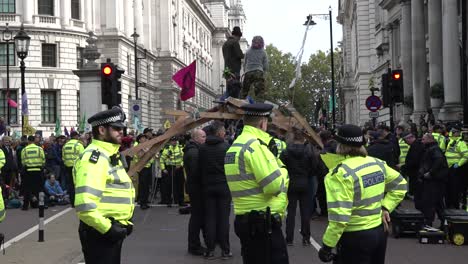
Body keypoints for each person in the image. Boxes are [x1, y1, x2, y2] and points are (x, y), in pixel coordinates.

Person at [318, 124, 406, 264]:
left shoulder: (340, 174)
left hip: (355, 236)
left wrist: (327, 246)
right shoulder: (377, 164)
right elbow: (400, 185)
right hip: (378, 231)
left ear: (340, 144)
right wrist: (386, 207)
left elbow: (340, 218)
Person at [224, 103, 289, 264]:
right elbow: (274, 186)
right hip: (262, 223)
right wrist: (282, 169)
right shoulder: (255, 146)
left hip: (244, 218)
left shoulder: (235, 146)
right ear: (262, 123)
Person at [74, 107, 135, 264]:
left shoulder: (109, 155)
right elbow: (85, 206)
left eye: (122, 128)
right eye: (116, 128)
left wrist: (124, 222)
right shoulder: (94, 157)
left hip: (107, 230)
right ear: (101, 130)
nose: (121, 132)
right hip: (100, 232)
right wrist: (108, 229)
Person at [200, 122, 232, 259]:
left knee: (210, 218)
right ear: (219, 133)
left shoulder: (202, 148)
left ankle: (210, 249)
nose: (225, 133)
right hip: (224, 185)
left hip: (207, 186)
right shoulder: (226, 147)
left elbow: (199, 167)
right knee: (224, 219)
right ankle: (225, 249)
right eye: (224, 131)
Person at [280, 128, 316, 246]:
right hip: (305, 182)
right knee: (305, 212)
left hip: (291, 182)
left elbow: (281, 167)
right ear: (303, 138)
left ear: (293, 138)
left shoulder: (285, 152)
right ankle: (306, 237)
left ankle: (289, 238)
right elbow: (314, 167)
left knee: (291, 212)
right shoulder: (309, 152)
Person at [183, 128, 207, 256]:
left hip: (195, 188)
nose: (205, 139)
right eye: (203, 136)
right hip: (196, 188)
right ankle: (194, 246)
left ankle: (196, 244)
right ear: (195, 138)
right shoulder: (194, 152)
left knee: (198, 217)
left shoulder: (194, 150)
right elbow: (195, 172)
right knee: (197, 218)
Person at [417, 133, 448, 227]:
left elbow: (438, 161)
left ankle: (429, 223)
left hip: (433, 180)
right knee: (438, 202)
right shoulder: (431, 148)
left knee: (430, 201)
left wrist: (430, 173)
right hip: (435, 180)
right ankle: (443, 222)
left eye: (423, 139)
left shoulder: (434, 149)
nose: (422, 141)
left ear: (429, 140)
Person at [21, 135, 46, 210]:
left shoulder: (24, 149)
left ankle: (25, 206)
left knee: (27, 189)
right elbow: (43, 159)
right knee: (40, 189)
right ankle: (41, 204)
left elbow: (23, 161)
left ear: (28, 141)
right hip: (38, 171)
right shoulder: (39, 149)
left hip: (28, 171)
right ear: (34, 140)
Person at [242, 36, 269, 101]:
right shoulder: (263, 52)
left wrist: (245, 71)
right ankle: (259, 107)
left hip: (248, 72)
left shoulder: (248, 51)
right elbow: (266, 66)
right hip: (258, 72)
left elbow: (244, 63)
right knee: (259, 92)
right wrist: (264, 73)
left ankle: (239, 104)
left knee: (244, 91)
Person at [160, 137, 185, 206]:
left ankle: (181, 201)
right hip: (170, 168)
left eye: (175, 141)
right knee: (169, 186)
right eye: (172, 141)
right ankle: (168, 201)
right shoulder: (167, 149)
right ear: (170, 142)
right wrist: (163, 169)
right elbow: (162, 160)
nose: (174, 142)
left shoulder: (180, 148)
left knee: (180, 185)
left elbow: (184, 158)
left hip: (179, 168)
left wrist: (181, 165)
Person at [62, 131, 84, 207]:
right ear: (75, 136)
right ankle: (79, 202)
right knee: (79, 185)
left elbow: (63, 157)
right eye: (77, 136)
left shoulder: (65, 145)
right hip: (77, 168)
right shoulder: (79, 145)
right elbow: (83, 157)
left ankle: (72, 202)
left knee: (70, 185)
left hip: (68, 167)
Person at [400, 132, 425, 197]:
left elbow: (414, 161)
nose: (405, 142)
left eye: (405, 140)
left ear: (409, 138)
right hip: (415, 171)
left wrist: (403, 166)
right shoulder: (416, 145)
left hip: (416, 171)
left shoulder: (416, 146)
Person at [134, 134, 153, 210]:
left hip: (148, 166)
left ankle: (145, 200)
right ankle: (142, 202)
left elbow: (150, 156)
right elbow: (140, 156)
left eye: (145, 138)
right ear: (139, 140)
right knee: (143, 185)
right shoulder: (138, 147)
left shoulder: (147, 146)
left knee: (147, 185)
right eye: (143, 138)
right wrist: (145, 151)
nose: (144, 139)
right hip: (142, 168)